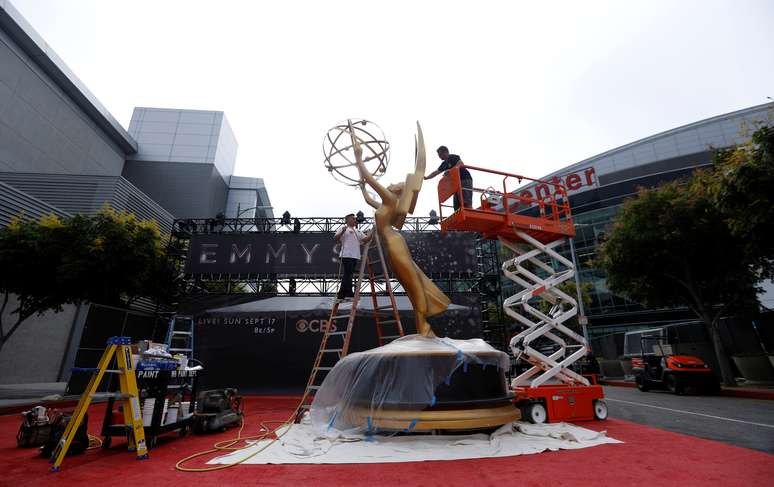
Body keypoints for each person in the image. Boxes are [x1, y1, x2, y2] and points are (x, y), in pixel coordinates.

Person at [424, 146, 473, 211]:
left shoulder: (453, 157)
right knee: (457, 205)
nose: (439, 156)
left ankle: (470, 214)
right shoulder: (444, 164)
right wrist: (427, 177)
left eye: (440, 154)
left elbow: (461, 164)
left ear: (446, 152)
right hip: (456, 183)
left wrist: (450, 171)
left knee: (466, 201)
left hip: (464, 179)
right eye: (438, 155)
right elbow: (436, 172)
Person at [335, 213, 370, 301]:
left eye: (355, 219)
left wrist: (372, 232)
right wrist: (343, 231)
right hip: (346, 255)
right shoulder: (344, 229)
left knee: (348, 274)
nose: (355, 220)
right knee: (348, 274)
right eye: (353, 219)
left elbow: (365, 240)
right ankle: (349, 294)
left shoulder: (358, 231)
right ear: (347, 220)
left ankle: (341, 295)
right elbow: (336, 238)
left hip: (355, 256)